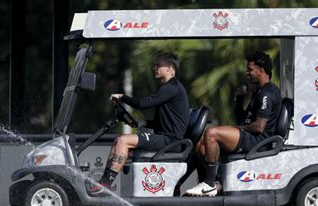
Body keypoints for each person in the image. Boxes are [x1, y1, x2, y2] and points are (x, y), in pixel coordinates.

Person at [90, 52, 190, 195]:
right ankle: (104, 183)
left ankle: (105, 184)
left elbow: (143, 104)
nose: (154, 68)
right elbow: (164, 121)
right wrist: (141, 123)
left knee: (123, 141)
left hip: (171, 141)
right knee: (118, 140)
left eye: (158, 66)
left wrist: (122, 97)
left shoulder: (171, 88)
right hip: (165, 137)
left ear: (169, 68)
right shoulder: (168, 88)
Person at [186, 51, 282, 197]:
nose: (246, 73)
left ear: (261, 71)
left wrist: (234, 128)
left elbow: (258, 127)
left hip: (258, 141)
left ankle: (209, 184)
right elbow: (244, 120)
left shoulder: (267, 94)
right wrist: (239, 100)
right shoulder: (258, 91)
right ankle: (210, 182)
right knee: (201, 144)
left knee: (211, 133)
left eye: (250, 69)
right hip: (250, 136)